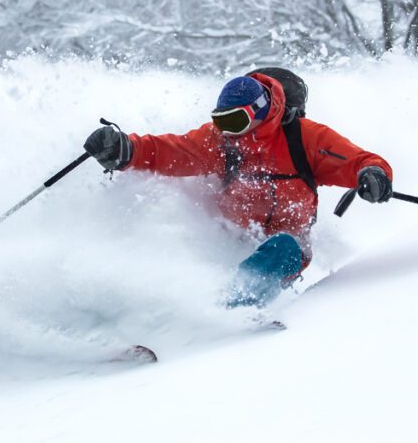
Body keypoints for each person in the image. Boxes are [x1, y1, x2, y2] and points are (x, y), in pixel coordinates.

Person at [83, 69, 393, 307]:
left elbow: (359, 161)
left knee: (282, 246)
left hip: (288, 248)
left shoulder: (305, 138)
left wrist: (373, 175)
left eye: (235, 121)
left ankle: (227, 313)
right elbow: (171, 151)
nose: (227, 131)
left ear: (260, 111)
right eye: (220, 121)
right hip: (228, 243)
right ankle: (152, 311)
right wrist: (125, 150)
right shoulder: (220, 142)